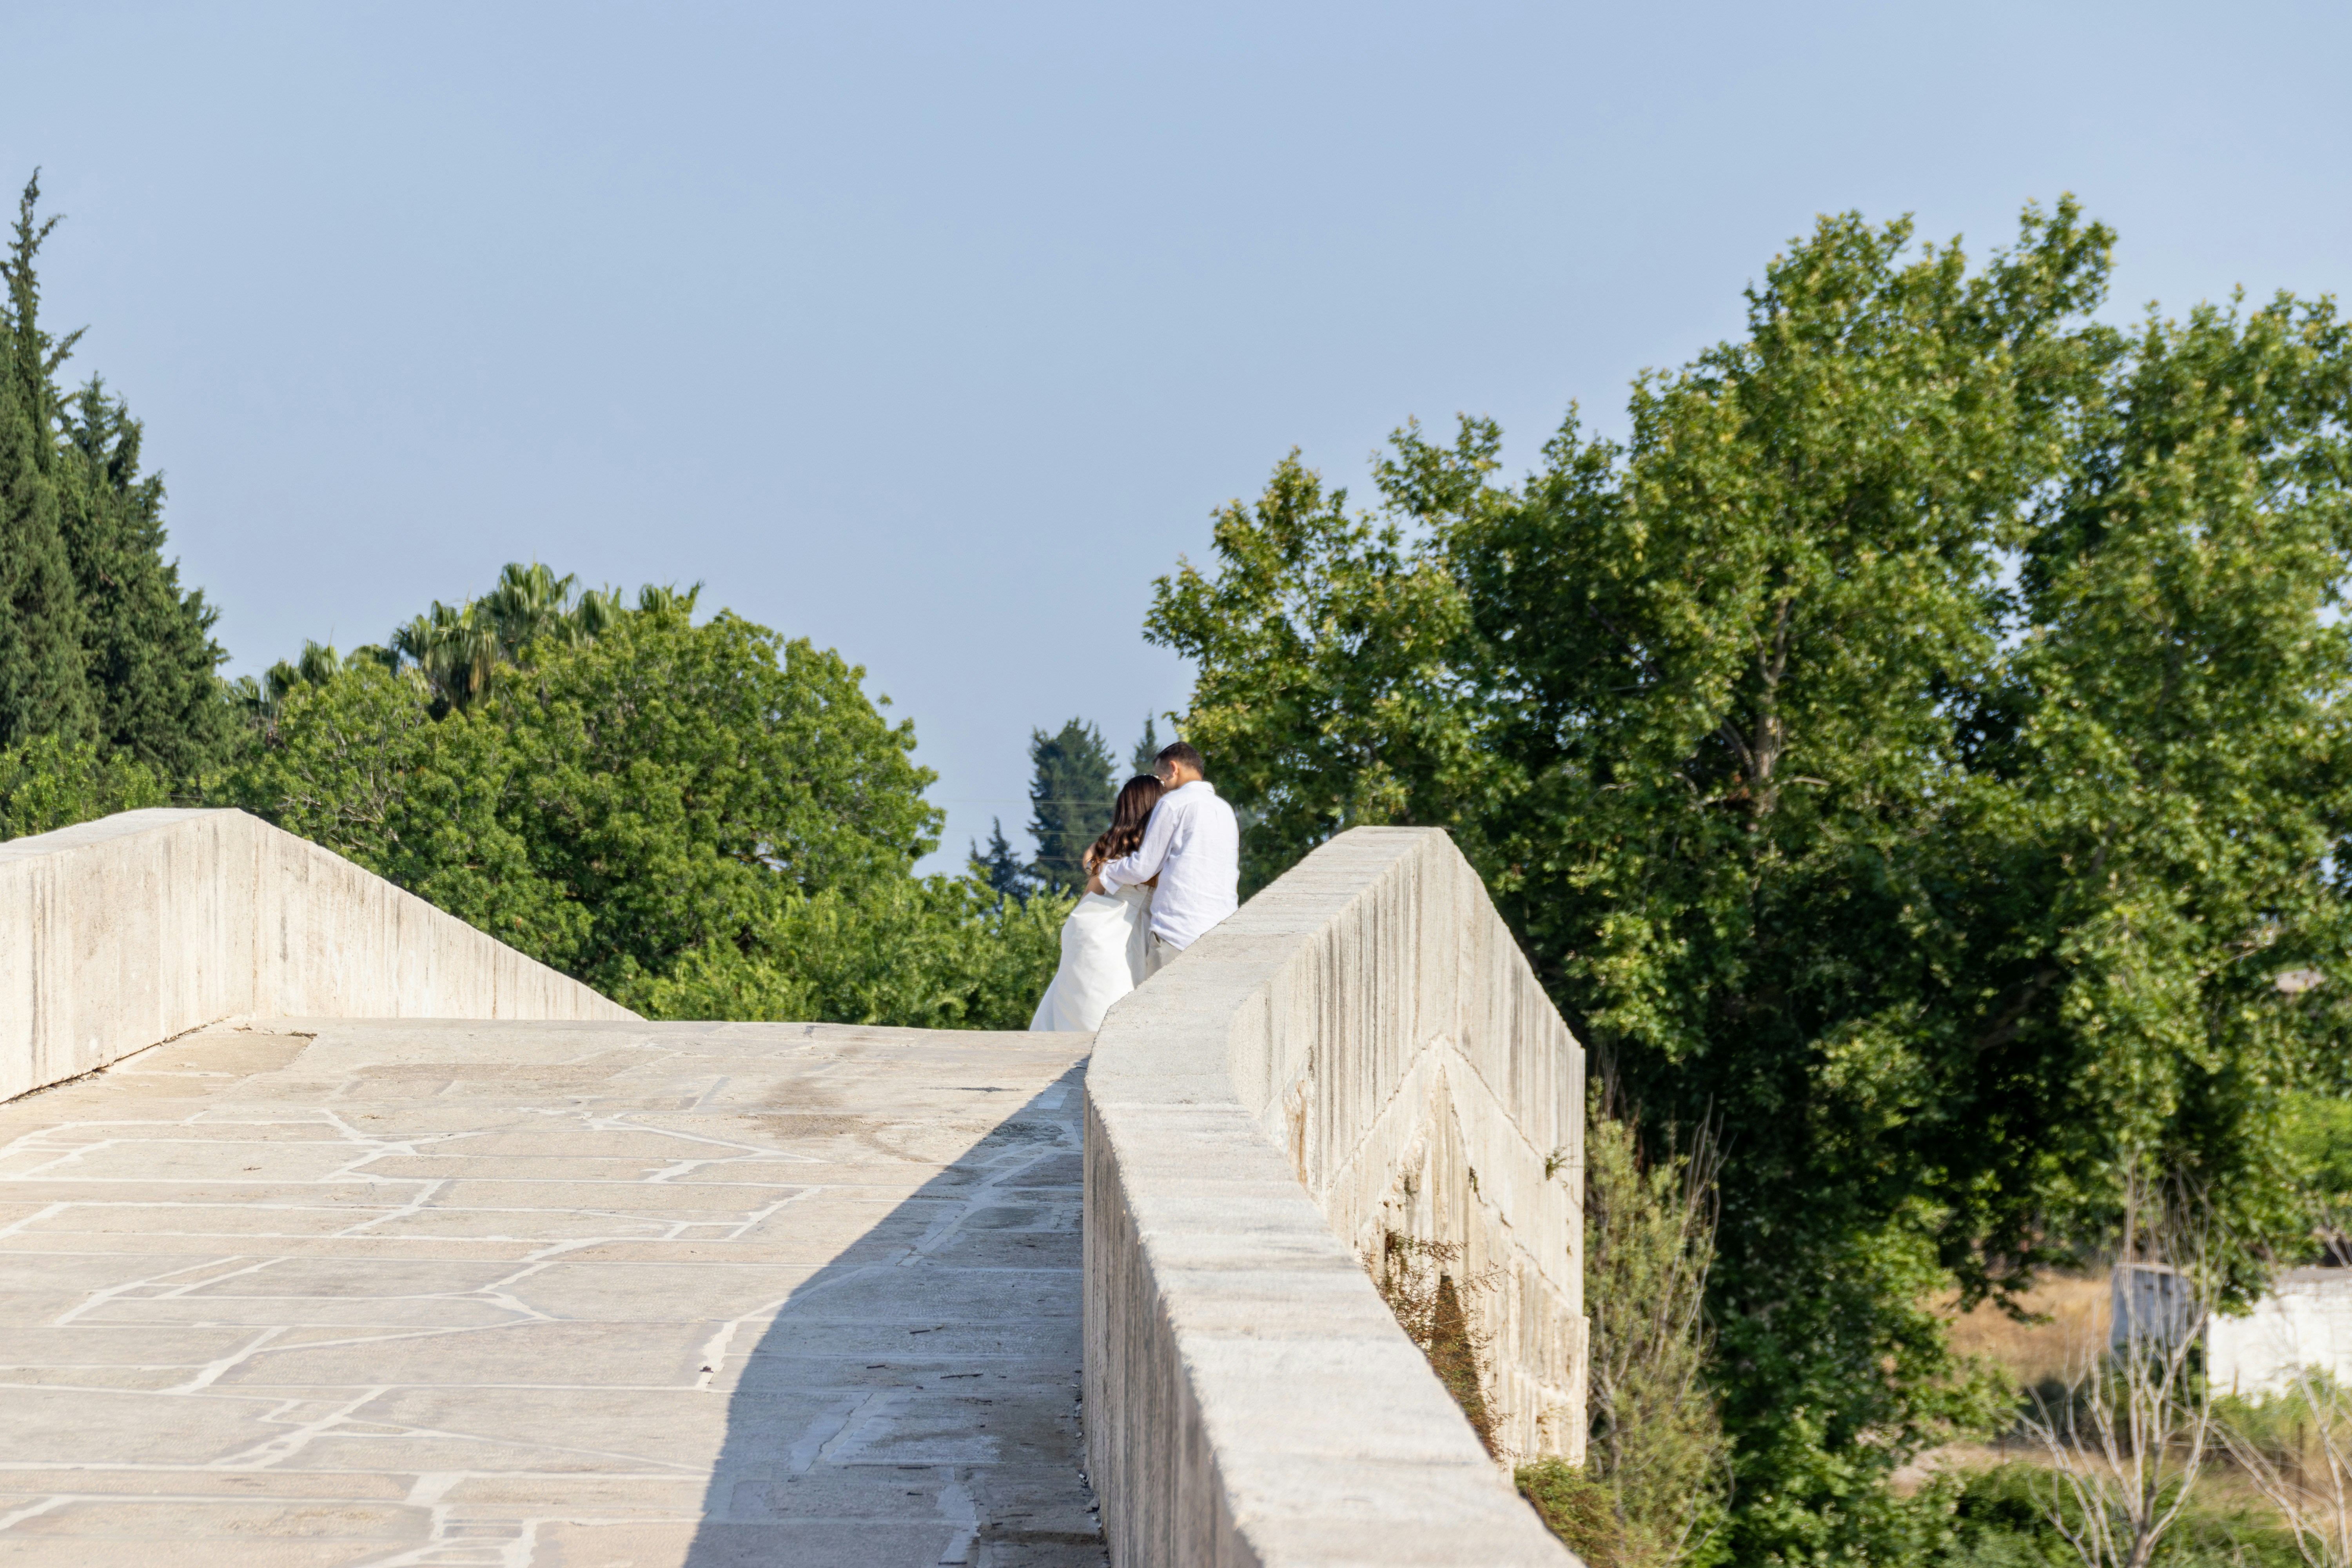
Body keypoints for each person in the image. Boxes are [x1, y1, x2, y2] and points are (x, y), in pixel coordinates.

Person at [1089, 741, 1239, 977]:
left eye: (1162, 777)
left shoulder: (1173, 804)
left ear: (1173, 768)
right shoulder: (1225, 810)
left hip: (1178, 933)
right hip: (1222, 931)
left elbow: (1142, 868)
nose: (1163, 786)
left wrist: (1107, 868)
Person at [1028, 774, 1163, 1031]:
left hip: (1095, 923)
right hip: (1130, 930)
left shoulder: (1108, 845)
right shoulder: (1160, 849)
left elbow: (1092, 892)